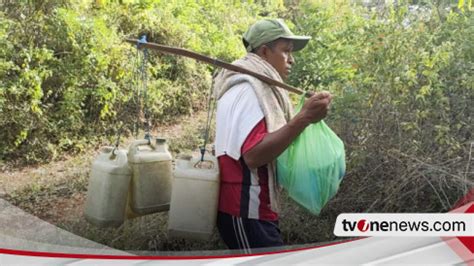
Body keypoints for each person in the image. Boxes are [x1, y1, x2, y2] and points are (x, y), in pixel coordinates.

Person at [213, 18, 332, 253]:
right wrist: (304, 118)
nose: (292, 59)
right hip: (246, 210)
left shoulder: (248, 83)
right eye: (286, 51)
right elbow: (254, 155)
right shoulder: (249, 89)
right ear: (265, 52)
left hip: (252, 210)